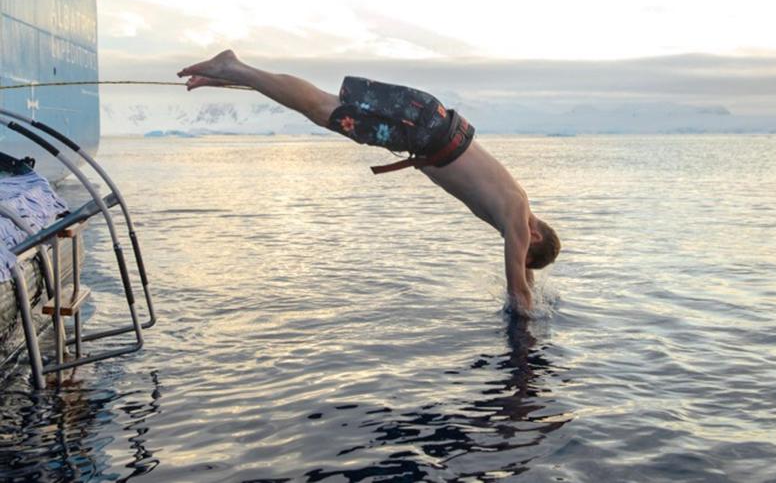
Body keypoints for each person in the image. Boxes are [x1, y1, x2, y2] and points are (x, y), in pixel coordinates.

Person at [177, 50, 560, 315]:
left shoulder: (518, 204)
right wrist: (528, 332)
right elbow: (518, 290)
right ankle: (234, 67)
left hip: (427, 117)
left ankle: (230, 74)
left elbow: (524, 275)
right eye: (523, 249)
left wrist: (531, 279)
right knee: (321, 109)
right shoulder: (516, 220)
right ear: (534, 238)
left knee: (322, 105)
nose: (515, 249)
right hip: (421, 131)